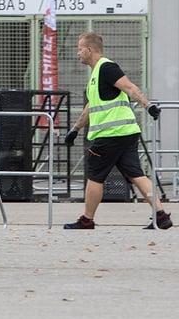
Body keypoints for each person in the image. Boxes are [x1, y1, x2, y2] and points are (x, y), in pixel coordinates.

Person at [63, 31, 171, 230]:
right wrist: (75, 129)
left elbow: (130, 88)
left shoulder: (107, 68)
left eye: (79, 49)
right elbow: (90, 106)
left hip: (111, 135)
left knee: (95, 175)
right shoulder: (96, 75)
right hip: (126, 133)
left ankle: (87, 220)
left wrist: (148, 106)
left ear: (89, 49)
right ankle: (161, 215)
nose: (77, 54)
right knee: (136, 174)